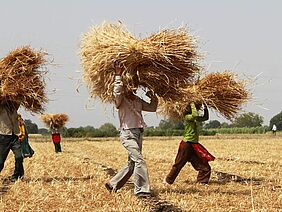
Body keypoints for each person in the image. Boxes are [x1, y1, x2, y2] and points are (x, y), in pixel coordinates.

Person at [105, 64, 158, 198]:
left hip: (139, 133)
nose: (133, 87)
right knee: (139, 160)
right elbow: (116, 92)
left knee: (133, 163)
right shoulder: (121, 100)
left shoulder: (138, 100)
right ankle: (141, 190)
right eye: (131, 85)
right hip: (127, 134)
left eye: (135, 85)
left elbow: (152, 108)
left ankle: (113, 184)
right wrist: (118, 75)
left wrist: (153, 96)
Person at [164, 102, 215, 185]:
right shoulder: (187, 117)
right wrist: (192, 103)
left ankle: (202, 182)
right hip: (186, 144)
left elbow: (205, 117)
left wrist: (205, 106)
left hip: (194, 145)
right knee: (179, 164)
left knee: (205, 166)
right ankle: (168, 181)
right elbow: (194, 115)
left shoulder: (194, 118)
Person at [0, 101, 24, 181]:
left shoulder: (14, 108)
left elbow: (19, 99)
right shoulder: (1, 108)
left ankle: (16, 176)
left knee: (19, 156)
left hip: (15, 136)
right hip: (3, 136)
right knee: (1, 161)